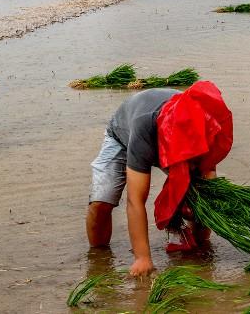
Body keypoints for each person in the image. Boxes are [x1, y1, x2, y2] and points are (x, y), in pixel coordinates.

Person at [86, 81, 233, 277]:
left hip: (180, 139)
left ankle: (199, 247)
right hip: (121, 137)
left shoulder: (202, 125)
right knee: (102, 202)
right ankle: (98, 259)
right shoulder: (144, 127)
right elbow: (135, 200)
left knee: (199, 197)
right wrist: (142, 258)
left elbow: (208, 177)